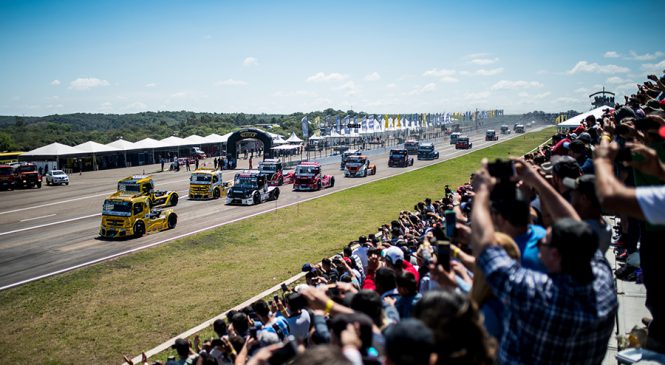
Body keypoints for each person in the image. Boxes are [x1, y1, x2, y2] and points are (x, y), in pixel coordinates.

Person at [471, 164, 617, 364]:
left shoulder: (536, 295)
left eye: (544, 242)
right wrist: (535, 179)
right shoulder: (602, 278)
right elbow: (575, 225)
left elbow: (487, 249)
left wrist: (481, 192)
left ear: (556, 254)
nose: (539, 243)